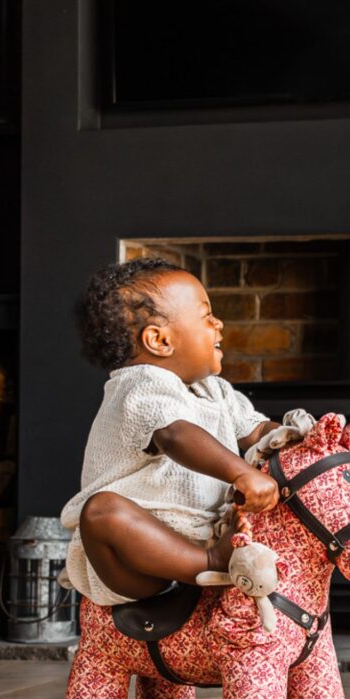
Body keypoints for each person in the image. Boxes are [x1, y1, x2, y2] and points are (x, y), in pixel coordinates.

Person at [61, 257, 281, 606]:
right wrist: (242, 472)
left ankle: (208, 560)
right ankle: (209, 564)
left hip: (205, 530)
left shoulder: (215, 390)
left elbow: (256, 432)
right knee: (101, 511)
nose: (219, 323)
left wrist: (305, 438)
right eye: (207, 316)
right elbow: (176, 435)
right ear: (159, 340)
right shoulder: (139, 386)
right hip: (132, 560)